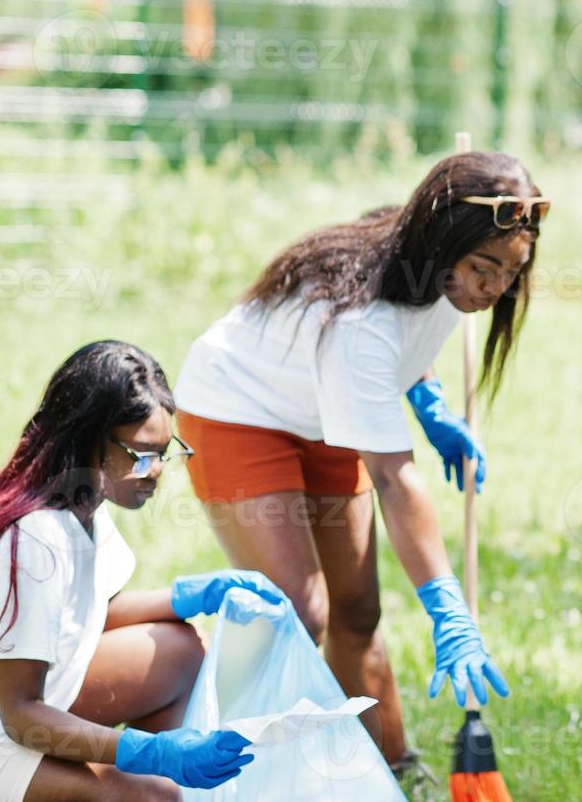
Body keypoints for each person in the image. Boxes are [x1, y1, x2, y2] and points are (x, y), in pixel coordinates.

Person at [172, 151, 548, 770]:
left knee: (358, 609)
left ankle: (385, 769)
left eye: (512, 271)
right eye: (486, 269)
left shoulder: (430, 266)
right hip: (239, 408)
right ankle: (219, 751)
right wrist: (446, 607)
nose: (497, 288)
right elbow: (395, 481)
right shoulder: (361, 321)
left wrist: (426, 399)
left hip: (326, 410)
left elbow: (412, 337)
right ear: (441, 242)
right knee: (295, 607)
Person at [0, 340, 285, 801]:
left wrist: (191, 596)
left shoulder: (85, 506)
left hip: (28, 710)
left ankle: (154, 784)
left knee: (179, 649)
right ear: (89, 437)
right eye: (142, 454)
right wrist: (147, 752)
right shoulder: (36, 539)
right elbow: (21, 715)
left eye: (166, 453)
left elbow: (82, 617)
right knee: (153, 797)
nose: (156, 472)